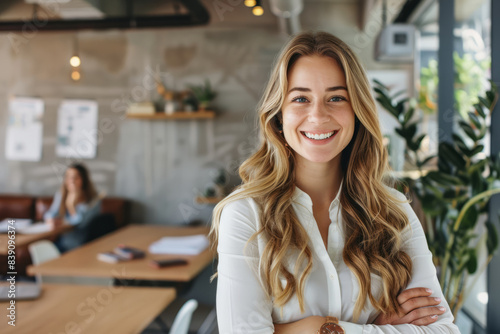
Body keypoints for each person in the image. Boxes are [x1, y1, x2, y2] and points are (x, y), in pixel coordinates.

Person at [209, 31, 460, 334]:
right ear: (279, 115)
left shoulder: (395, 212)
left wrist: (305, 329)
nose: (317, 115)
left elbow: (443, 330)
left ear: (357, 110)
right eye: (300, 98)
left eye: (336, 98)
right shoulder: (246, 215)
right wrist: (339, 327)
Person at [44, 163, 102, 252]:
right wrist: (51, 219)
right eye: (68, 177)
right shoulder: (61, 195)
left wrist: (71, 206)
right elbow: (51, 213)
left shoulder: (93, 200)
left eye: (76, 177)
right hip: (63, 242)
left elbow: (81, 223)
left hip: (82, 244)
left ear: (84, 180)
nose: (72, 180)